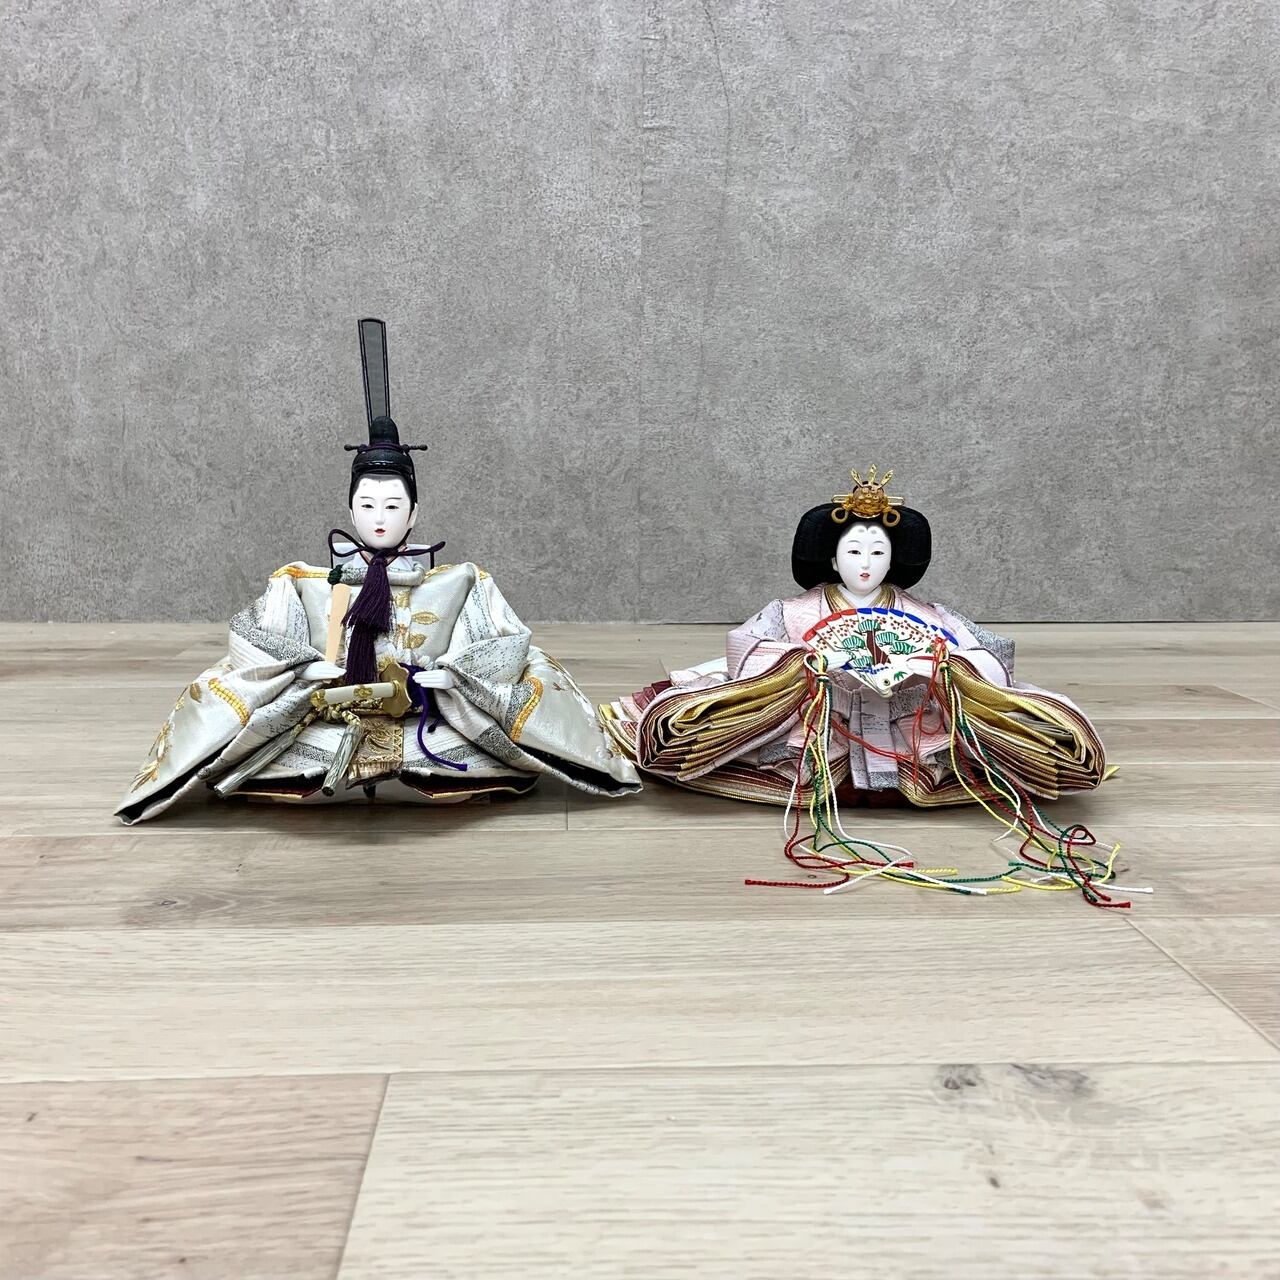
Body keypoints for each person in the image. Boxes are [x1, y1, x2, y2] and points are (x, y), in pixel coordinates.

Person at [117, 319, 639, 824]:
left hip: (429, 718)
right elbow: (252, 640)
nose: (379, 518)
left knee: (490, 736)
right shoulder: (302, 582)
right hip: (323, 718)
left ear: (414, 513)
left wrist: (454, 678)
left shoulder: (460, 583)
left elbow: (504, 641)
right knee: (260, 740)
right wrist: (300, 669)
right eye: (367, 505)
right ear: (349, 511)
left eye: (393, 506)